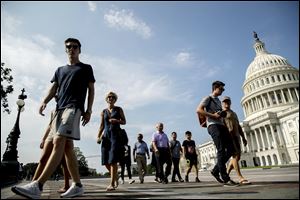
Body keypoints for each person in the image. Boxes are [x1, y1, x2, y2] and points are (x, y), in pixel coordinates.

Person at [11, 38, 95, 198]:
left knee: (58, 142)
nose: (71, 49)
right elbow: (53, 87)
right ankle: (77, 185)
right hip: (58, 110)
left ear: (79, 50)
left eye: (75, 47)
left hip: (73, 107)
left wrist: (89, 110)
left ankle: (38, 185)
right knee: (68, 148)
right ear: (65, 50)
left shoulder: (85, 68)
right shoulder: (59, 70)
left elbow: (91, 89)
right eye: (68, 47)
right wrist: (44, 101)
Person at [196, 80, 236, 186]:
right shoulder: (207, 98)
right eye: (221, 89)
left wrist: (221, 114)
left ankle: (215, 170)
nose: (223, 90)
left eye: (223, 89)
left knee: (231, 149)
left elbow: (219, 113)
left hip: (221, 125)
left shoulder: (218, 101)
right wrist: (213, 116)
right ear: (215, 88)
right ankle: (225, 178)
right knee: (221, 149)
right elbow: (199, 110)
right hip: (213, 125)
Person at [32, 108, 70, 193]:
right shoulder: (53, 111)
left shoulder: (67, 107)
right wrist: (43, 139)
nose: (56, 96)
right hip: (51, 133)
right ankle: (33, 184)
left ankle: (67, 185)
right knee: (43, 159)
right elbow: (50, 125)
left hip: (62, 133)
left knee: (64, 162)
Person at [97, 91, 126, 191]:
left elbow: (124, 121)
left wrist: (116, 121)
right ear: (106, 99)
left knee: (113, 160)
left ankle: (112, 184)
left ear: (115, 99)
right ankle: (116, 176)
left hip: (115, 136)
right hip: (106, 137)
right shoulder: (103, 111)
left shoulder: (119, 109)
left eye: (112, 97)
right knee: (105, 161)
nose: (110, 98)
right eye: (109, 97)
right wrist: (98, 136)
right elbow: (101, 125)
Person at [222, 96, 251, 185]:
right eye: (224, 102)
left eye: (228, 101)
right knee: (235, 156)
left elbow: (238, 126)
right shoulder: (222, 113)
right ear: (222, 103)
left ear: (230, 103)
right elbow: (221, 126)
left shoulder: (234, 113)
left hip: (237, 136)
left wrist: (243, 137)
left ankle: (226, 174)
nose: (226, 103)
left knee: (237, 157)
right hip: (229, 137)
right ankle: (240, 177)